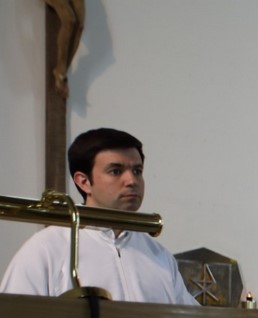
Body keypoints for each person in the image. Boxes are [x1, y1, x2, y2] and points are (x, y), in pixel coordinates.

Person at [0, 128, 198, 305]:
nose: (132, 180)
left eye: (137, 171)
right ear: (84, 182)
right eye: (116, 171)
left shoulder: (159, 256)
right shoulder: (46, 249)